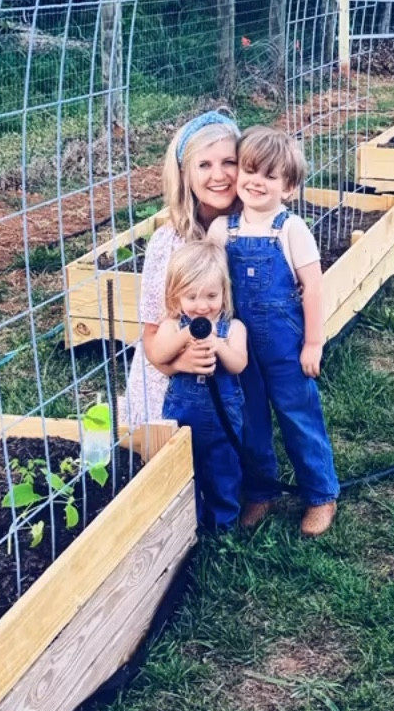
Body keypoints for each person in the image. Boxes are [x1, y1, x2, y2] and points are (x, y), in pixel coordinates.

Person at [208, 126, 340, 537]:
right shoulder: (221, 230)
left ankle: (320, 494)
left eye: (269, 175)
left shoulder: (290, 229)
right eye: (249, 170)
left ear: (289, 187)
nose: (256, 181)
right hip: (238, 346)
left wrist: (313, 342)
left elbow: (313, 287)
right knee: (250, 421)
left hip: (285, 345)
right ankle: (261, 491)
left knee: (298, 415)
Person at [123, 110, 241, 432]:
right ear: (184, 175)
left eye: (228, 162)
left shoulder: (257, 232)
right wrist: (177, 363)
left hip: (235, 371)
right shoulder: (168, 243)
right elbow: (150, 333)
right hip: (173, 383)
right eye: (204, 165)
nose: (219, 175)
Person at [149, 241, 247, 532]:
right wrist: (186, 336)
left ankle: (223, 526)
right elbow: (159, 354)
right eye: (191, 297)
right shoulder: (172, 325)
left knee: (223, 467)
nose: (202, 305)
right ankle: (188, 523)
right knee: (183, 466)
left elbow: (238, 364)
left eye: (211, 295)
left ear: (224, 293)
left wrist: (218, 344)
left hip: (224, 414)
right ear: (176, 298)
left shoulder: (234, 328)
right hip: (183, 410)